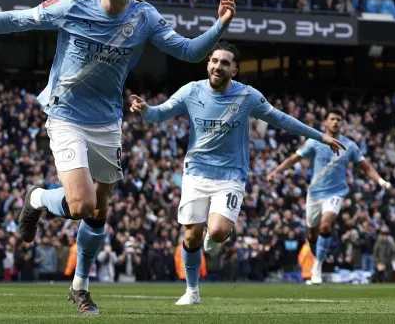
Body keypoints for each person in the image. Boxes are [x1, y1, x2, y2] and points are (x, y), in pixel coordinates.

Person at [0, 0, 236, 315]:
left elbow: (189, 51)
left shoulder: (145, 17)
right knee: (81, 205)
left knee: (99, 209)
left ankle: (80, 287)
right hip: (66, 115)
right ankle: (37, 198)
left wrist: (221, 24)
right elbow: (17, 19)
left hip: (107, 123)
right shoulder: (73, 4)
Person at [129, 42, 345, 304]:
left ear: (234, 70)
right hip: (196, 172)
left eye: (225, 62)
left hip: (231, 175)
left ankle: (216, 235)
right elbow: (158, 114)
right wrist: (145, 109)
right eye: (214, 61)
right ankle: (192, 291)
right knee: (191, 235)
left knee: (218, 232)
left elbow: (281, 119)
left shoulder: (246, 96)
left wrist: (320, 136)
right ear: (208, 65)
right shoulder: (191, 91)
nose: (218, 66)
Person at [266, 108, 391, 285]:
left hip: (336, 193)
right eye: (332, 119)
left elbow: (366, 168)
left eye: (338, 119)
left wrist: (381, 181)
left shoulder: (349, 146)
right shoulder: (314, 142)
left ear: (342, 123)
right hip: (315, 194)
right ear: (325, 122)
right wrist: (276, 171)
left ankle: (317, 267)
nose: (335, 122)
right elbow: (294, 159)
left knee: (325, 225)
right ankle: (317, 259)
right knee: (311, 234)